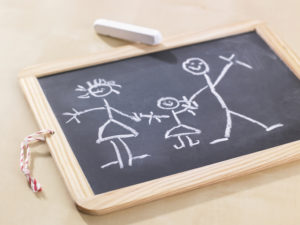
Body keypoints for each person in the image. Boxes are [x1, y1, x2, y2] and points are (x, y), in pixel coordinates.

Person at [182, 55, 283, 144]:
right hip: (218, 104)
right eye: (191, 66)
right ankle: (224, 136)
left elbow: (216, 83)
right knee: (228, 118)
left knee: (243, 113)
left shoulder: (214, 73)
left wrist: (229, 65)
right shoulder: (200, 81)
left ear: (202, 63)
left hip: (225, 100)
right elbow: (211, 87)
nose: (196, 66)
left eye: (197, 63)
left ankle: (266, 125)